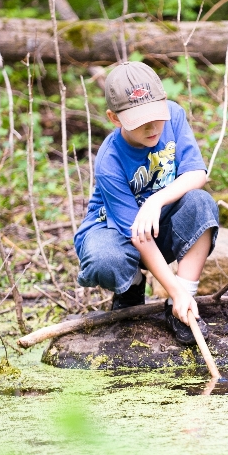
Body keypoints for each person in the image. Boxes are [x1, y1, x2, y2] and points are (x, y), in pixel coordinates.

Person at [74, 61, 219, 345]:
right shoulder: (109, 160)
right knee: (106, 259)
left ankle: (182, 304)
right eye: (140, 121)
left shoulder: (174, 116)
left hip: (160, 223)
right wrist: (171, 289)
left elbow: (197, 174)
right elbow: (137, 235)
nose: (152, 127)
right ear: (115, 119)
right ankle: (132, 285)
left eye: (156, 115)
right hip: (116, 234)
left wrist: (156, 200)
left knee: (201, 204)